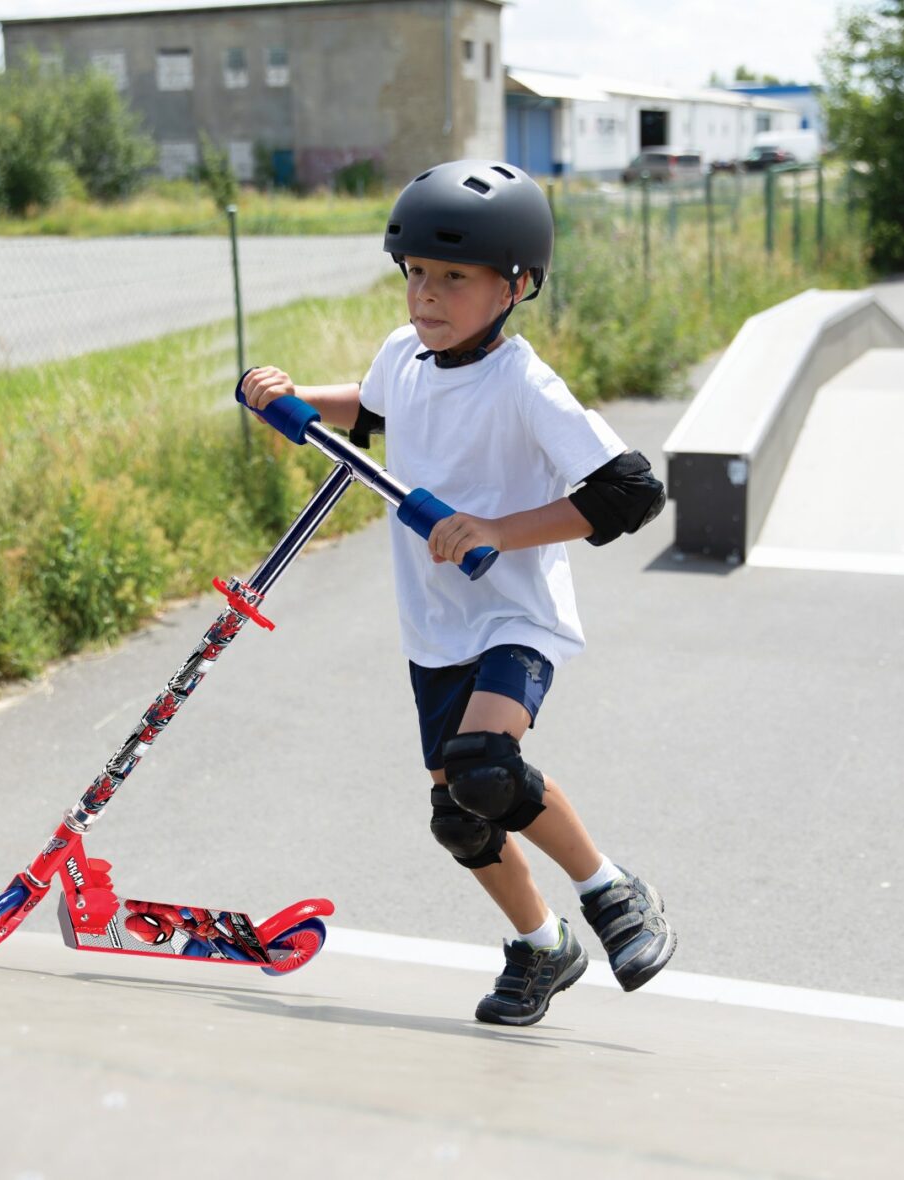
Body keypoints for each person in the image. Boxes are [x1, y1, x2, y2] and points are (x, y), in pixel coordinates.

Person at [240, 159, 675, 1026]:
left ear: (515, 285)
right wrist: (291, 401)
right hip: (435, 626)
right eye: (415, 275)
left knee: (486, 768)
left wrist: (497, 531)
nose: (426, 297)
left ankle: (611, 888)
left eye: (453, 279)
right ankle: (542, 947)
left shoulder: (523, 383)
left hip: (516, 616)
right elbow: (372, 409)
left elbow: (628, 491)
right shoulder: (405, 355)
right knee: (459, 814)